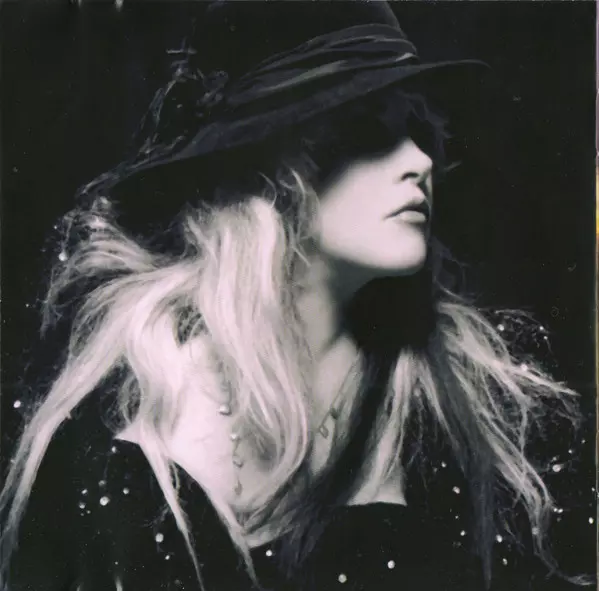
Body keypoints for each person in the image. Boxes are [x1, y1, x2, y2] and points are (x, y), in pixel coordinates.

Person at [0, 2, 594, 590]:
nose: (420, 160)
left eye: (419, 129)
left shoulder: (474, 406)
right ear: (268, 168)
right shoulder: (123, 423)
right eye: (371, 128)